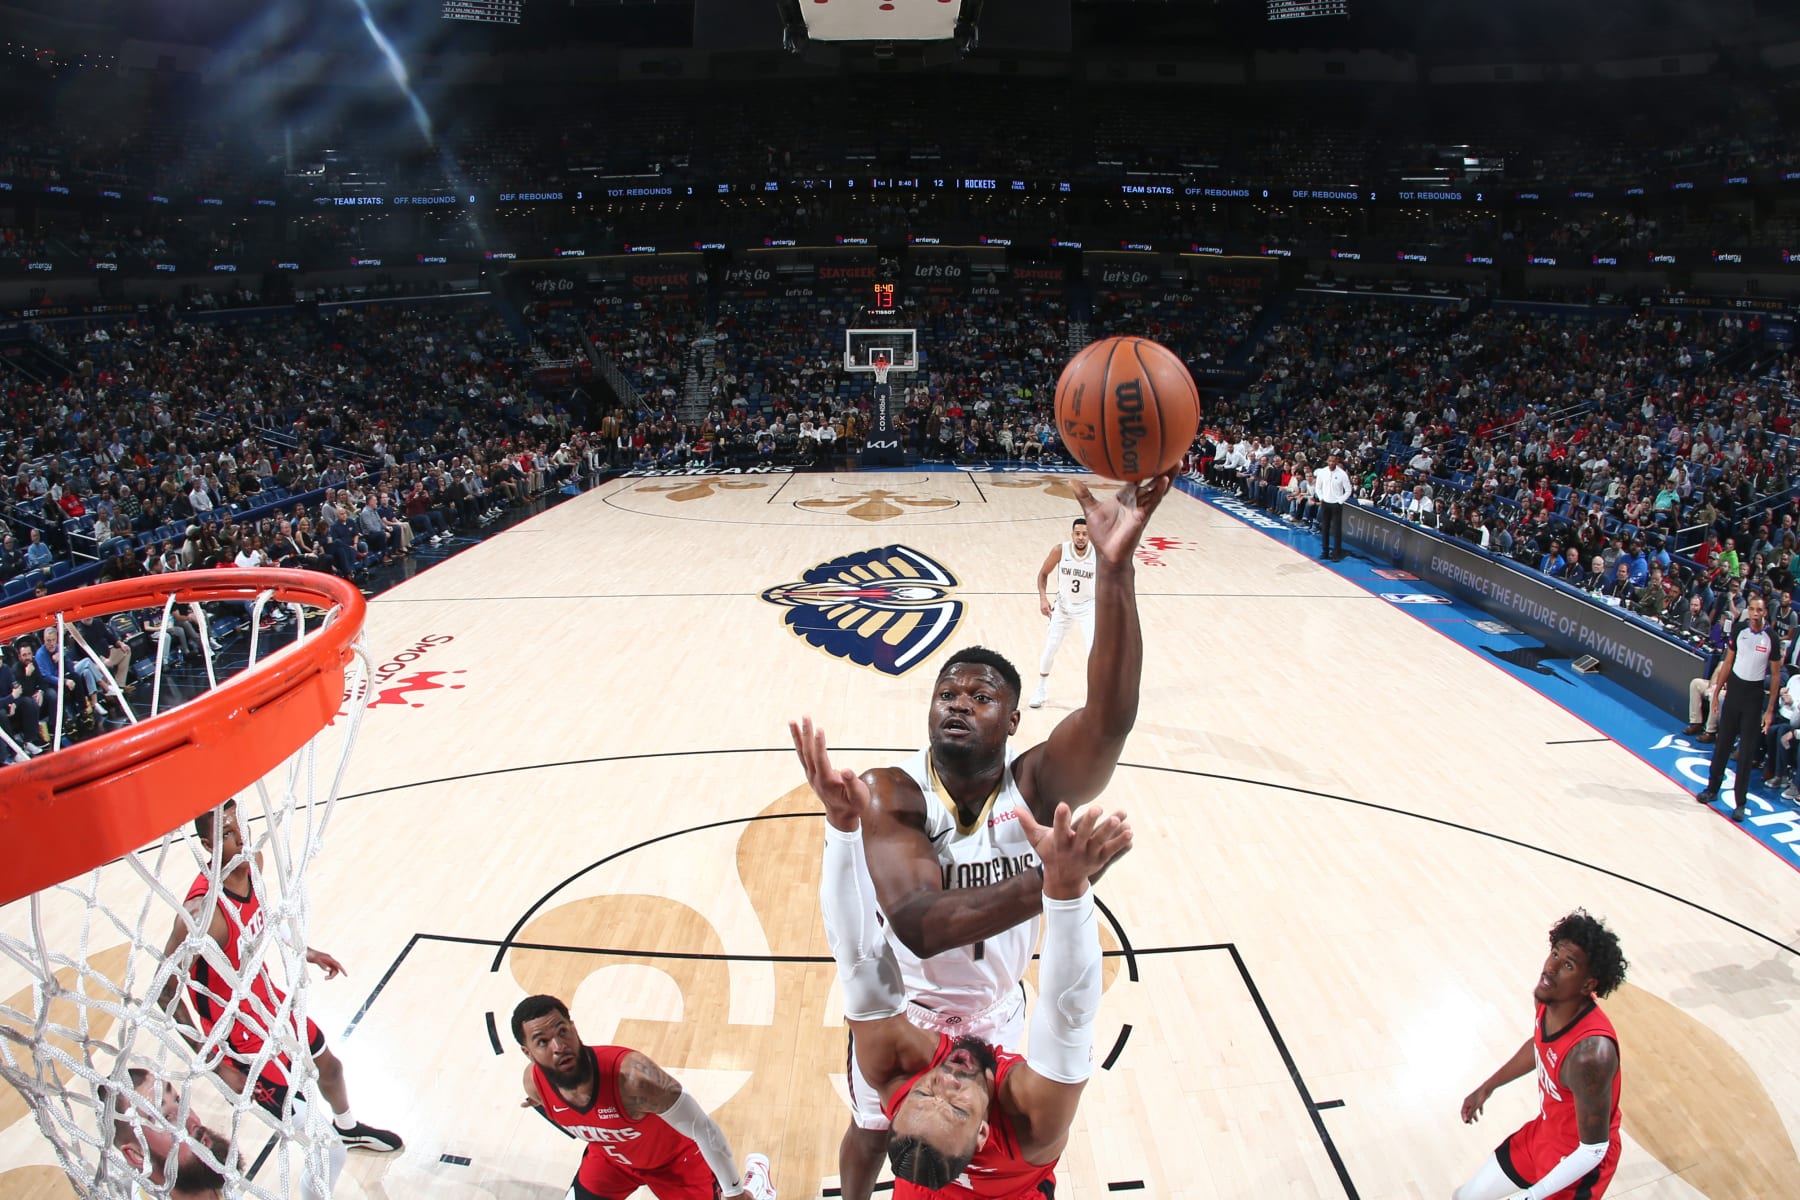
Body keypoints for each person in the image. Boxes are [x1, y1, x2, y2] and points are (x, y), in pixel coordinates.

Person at [793, 471, 1171, 1200]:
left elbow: (1109, 717)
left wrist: (1114, 571)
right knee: (873, 1128)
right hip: (908, 1009)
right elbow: (921, 925)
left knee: (1022, 1137)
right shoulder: (892, 790)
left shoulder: (1034, 785)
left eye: (981, 695)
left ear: (1014, 720)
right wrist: (1056, 885)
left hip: (1000, 1010)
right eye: (946, 694)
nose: (958, 704)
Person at [814, 750, 1124, 1198]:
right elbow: (1069, 1013)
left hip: (973, 1011)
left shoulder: (899, 1076)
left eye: (926, 1095)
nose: (949, 1082)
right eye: (958, 1109)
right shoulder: (1034, 1126)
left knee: (869, 1127)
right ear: (983, 1134)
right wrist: (1066, 890)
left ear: (904, 1098)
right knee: (868, 1132)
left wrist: (842, 826)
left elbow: (856, 956)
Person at [159, 800, 402, 1157]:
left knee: (330, 1067)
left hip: (268, 1002)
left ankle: (349, 1129)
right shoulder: (201, 914)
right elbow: (165, 991)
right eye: (227, 834)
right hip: (238, 1036)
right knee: (323, 1147)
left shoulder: (253, 863)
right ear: (208, 847)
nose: (240, 839)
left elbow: (262, 917)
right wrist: (212, 1062)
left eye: (241, 827)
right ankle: (333, 1148)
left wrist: (307, 950)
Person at [512, 994, 775, 1200]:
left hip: (674, 1163)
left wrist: (734, 1192)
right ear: (528, 1052)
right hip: (612, 1161)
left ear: (573, 1028)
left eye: (562, 1031)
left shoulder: (635, 1079)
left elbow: (703, 1129)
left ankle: (758, 1187)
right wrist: (540, 1099)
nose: (559, 1047)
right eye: (542, 1042)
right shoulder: (534, 1084)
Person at [1455, 910, 1628, 1200]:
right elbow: (1540, 1045)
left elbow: (1594, 1149)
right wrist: (1488, 1086)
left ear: (1588, 985)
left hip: (1578, 1167)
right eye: (1555, 953)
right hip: (1544, 1135)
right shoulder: (1548, 997)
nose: (1551, 968)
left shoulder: (1591, 1056)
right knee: (1465, 1197)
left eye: (1568, 964)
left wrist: (1533, 1196)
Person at [1694, 593, 1782, 822]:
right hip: (1734, 692)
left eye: (1759, 610)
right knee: (1722, 744)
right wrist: (1716, 694)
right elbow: (1729, 662)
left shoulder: (1771, 638)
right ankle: (1712, 789)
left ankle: (1740, 802)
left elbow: (1774, 676)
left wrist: (1770, 709)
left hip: (1753, 698)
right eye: (1751, 609)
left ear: (1764, 613)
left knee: (1745, 753)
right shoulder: (1739, 630)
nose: (1754, 614)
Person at [111, 1067, 238, 1199]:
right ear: (137, 1155)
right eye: (166, 1117)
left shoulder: (207, 1179)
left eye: (178, 1100)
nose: (192, 1119)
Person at [1027, 517, 1096, 709]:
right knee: (1051, 647)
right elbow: (1043, 573)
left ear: (1090, 536)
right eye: (1078, 533)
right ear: (1072, 534)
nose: (1081, 537)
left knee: (1093, 651)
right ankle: (1041, 690)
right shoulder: (1060, 550)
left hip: (1088, 606)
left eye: (1085, 534)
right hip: (1063, 606)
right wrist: (1043, 598)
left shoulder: (1098, 554)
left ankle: (1095, 697)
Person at [1315, 449, 1353, 561]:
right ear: (1327, 461)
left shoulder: (1342, 474)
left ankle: (1336, 553)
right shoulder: (1322, 472)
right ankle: (1325, 551)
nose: (1332, 463)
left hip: (1336, 505)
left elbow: (1348, 490)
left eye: (1334, 461)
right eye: (1330, 461)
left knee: (1336, 530)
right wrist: (1321, 498)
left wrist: (1340, 501)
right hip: (1325, 503)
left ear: (1337, 462)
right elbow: (1318, 487)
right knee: (1325, 528)